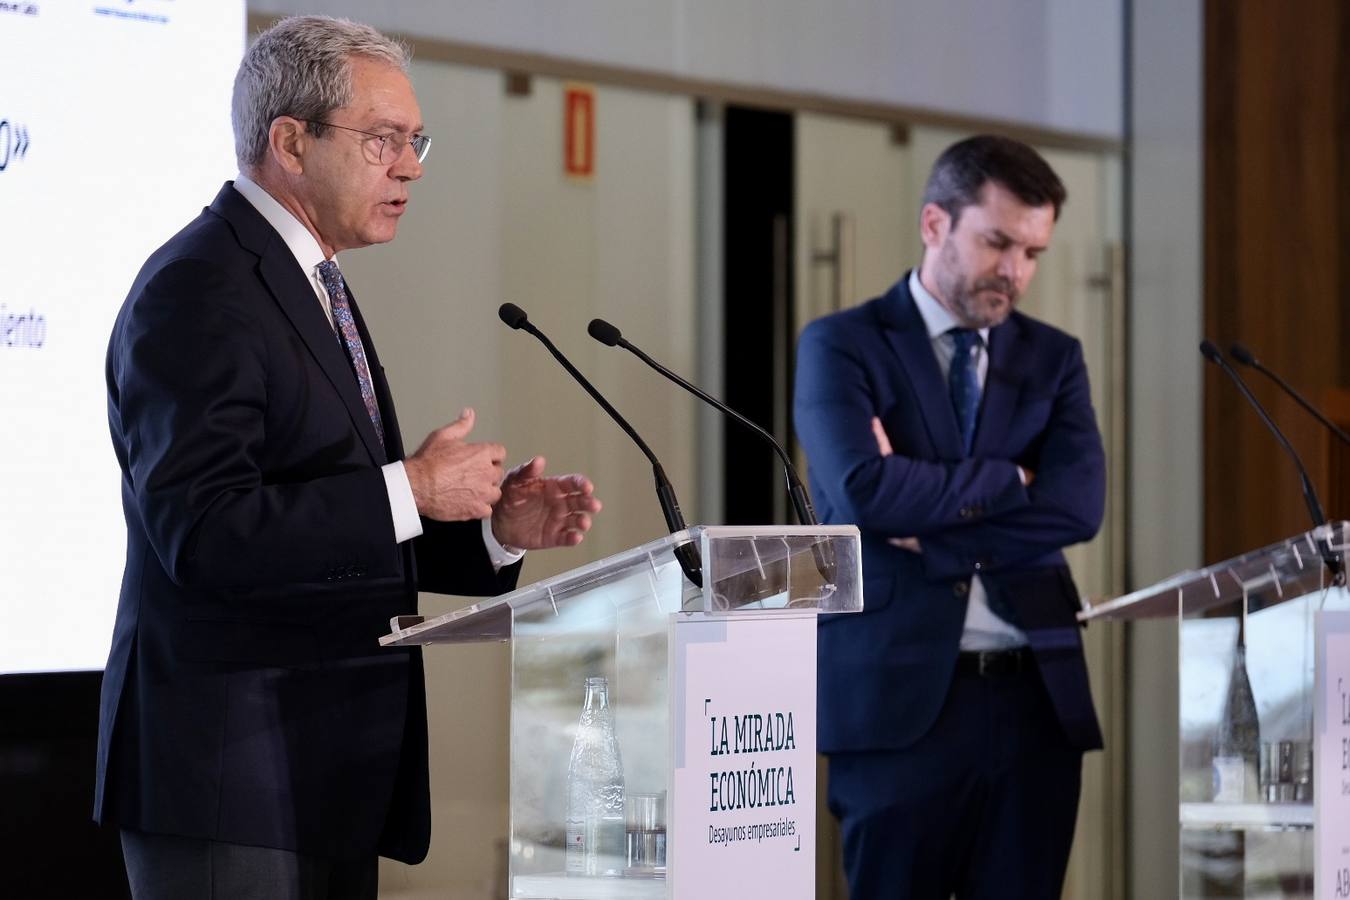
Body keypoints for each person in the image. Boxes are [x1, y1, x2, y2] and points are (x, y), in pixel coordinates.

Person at [94, 16, 602, 899]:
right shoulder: (200, 289)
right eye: (383, 140)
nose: (410, 165)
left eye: (416, 141)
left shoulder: (310, 281)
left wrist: (485, 533)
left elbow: (325, 520)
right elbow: (207, 534)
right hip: (229, 775)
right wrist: (409, 486)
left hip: (323, 767)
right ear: (290, 141)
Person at [793, 135, 1105, 899]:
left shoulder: (1053, 357)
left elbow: (1079, 506)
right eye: (997, 242)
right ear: (935, 224)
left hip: (1035, 697)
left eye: (1033, 252)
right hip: (895, 700)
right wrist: (1012, 479)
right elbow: (863, 491)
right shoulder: (844, 345)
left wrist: (928, 527)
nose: (1016, 271)